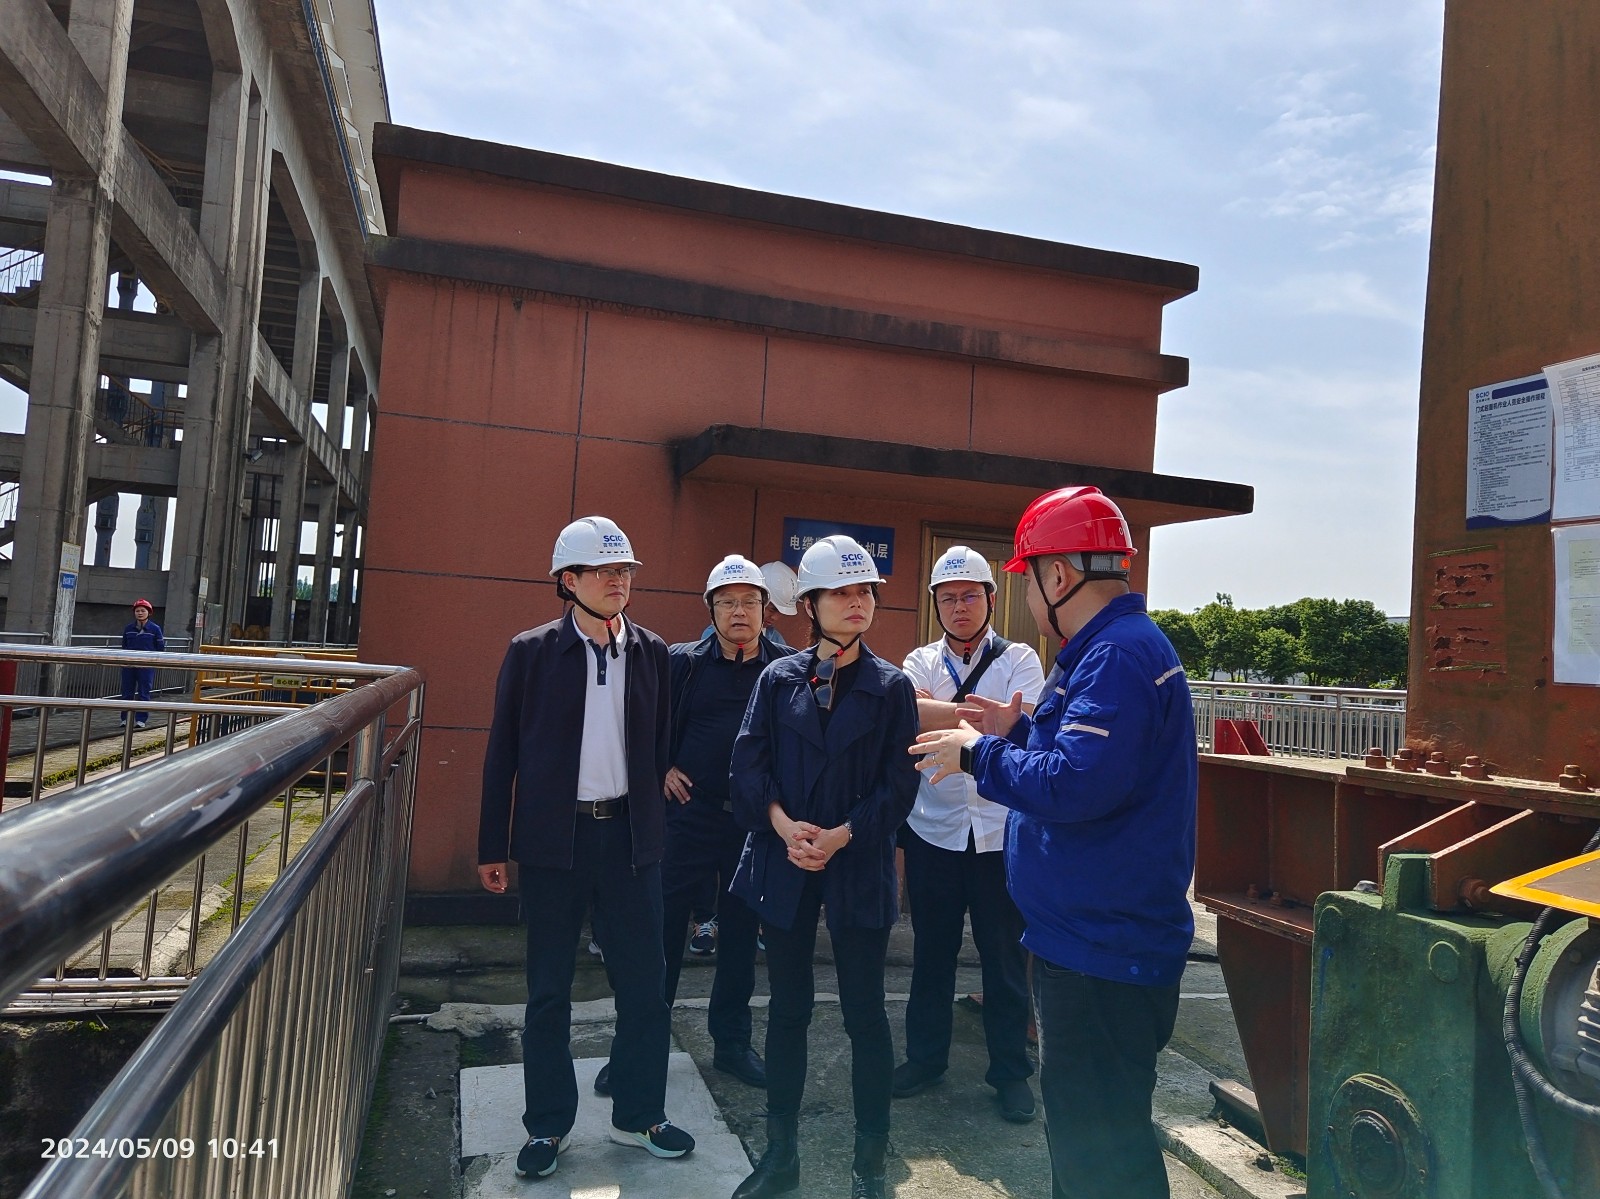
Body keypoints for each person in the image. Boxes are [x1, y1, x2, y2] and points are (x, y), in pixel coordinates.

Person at [909, 487, 1197, 1199]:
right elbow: (1082, 757)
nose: (1029, 598)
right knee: (1095, 1138)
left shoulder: (1115, 656)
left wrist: (977, 751)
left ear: (1058, 575)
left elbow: (1075, 783)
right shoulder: (1105, 649)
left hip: (1103, 952)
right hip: (1096, 939)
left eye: (1027, 579)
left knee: (1100, 1153)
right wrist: (1018, 730)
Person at [478, 516, 696, 1180]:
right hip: (555, 842)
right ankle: (547, 1125)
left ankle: (640, 1114)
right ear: (568, 581)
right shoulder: (532, 651)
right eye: (604, 572)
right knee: (549, 990)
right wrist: (492, 844)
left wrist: (654, 827)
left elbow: (658, 745)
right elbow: (502, 753)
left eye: (624, 570)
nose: (618, 581)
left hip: (630, 840)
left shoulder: (651, 651)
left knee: (645, 987)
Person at [728, 535, 920, 1199]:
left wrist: (842, 835)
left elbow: (899, 785)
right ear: (809, 604)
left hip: (857, 860)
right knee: (787, 1009)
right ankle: (781, 1156)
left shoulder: (892, 686)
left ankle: (871, 1165)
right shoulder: (777, 678)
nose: (858, 601)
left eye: (865, 590)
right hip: (784, 858)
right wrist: (783, 826)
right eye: (841, 591)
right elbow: (747, 764)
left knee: (866, 1013)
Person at [893, 547, 1045, 1122]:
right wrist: (984, 720)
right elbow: (907, 717)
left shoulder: (1021, 658)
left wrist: (942, 714)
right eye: (948, 597)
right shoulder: (919, 659)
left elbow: (1026, 726)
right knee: (931, 954)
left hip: (1001, 834)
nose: (959, 607)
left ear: (991, 599)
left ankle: (1010, 1073)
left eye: (970, 595)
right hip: (933, 831)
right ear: (935, 604)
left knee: (1004, 959)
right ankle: (925, 1059)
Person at [664, 555, 791, 1086]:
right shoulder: (682, 663)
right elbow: (643, 721)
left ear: (766, 609)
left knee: (740, 937)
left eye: (749, 602)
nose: (739, 612)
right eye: (727, 602)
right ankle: (641, 1047)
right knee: (662, 932)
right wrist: (660, 766)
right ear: (711, 609)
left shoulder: (786, 668)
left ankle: (732, 1045)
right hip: (688, 816)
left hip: (752, 822)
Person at [120, 599, 164, 729]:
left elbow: (160, 647)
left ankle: (141, 719)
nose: (140, 613)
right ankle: (125, 718)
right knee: (127, 692)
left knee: (144, 692)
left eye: (143, 611)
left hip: (146, 666)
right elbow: (124, 645)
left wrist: (153, 660)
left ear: (149, 613)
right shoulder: (129, 628)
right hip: (129, 665)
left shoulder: (155, 629)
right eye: (137, 611)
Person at [759, 560, 801, 648]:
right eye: (772, 609)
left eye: (780, 613)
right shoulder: (731, 634)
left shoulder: (776, 640)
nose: (775, 617)